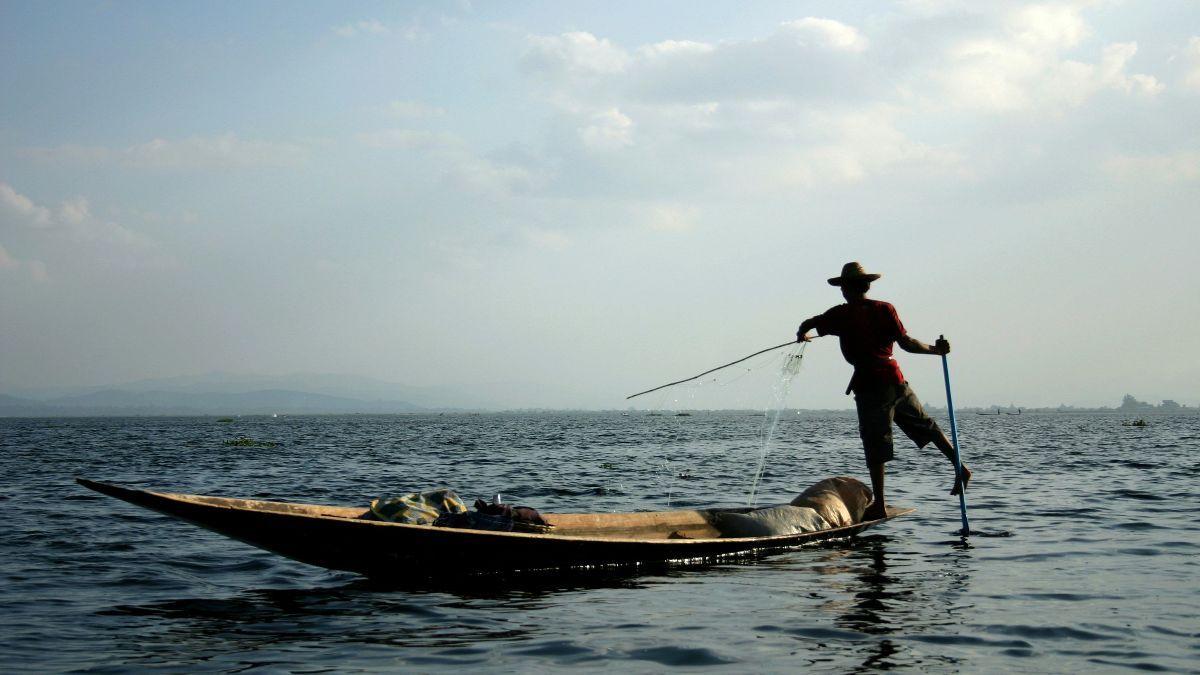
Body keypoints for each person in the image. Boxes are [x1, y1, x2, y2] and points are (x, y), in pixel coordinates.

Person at [796, 262, 971, 521]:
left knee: (875, 441)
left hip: (871, 386)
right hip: (896, 380)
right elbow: (907, 343)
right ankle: (961, 467)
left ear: (845, 290)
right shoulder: (884, 309)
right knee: (927, 426)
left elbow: (808, 322)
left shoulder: (841, 314)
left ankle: (879, 504)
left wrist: (803, 334)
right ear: (866, 287)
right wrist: (936, 351)